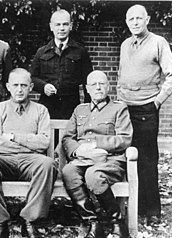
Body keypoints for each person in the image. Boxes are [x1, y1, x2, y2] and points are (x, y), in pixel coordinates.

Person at [0, 68, 58, 238]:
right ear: (8, 86)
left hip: (31, 162)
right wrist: (29, 143)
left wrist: (13, 137)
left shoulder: (40, 110)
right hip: (4, 161)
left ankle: (29, 220)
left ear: (31, 87)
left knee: (48, 163)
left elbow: (44, 142)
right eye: (15, 85)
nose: (19, 90)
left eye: (24, 85)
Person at [117, 4, 172, 226]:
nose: (135, 22)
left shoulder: (158, 43)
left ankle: (152, 210)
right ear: (127, 22)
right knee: (126, 157)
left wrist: (157, 101)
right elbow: (121, 75)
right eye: (130, 19)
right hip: (125, 109)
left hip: (146, 110)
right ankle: (133, 207)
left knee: (146, 159)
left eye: (138, 18)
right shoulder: (125, 44)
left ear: (147, 20)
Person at [61, 71, 133, 238]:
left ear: (108, 87)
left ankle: (117, 224)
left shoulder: (118, 108)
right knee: (68, 171)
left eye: (102, 84)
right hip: (83, 159)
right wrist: (78, 150)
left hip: (110, 160)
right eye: (93, 85)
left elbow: (125, 139)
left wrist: (96, 143)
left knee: (93, 175)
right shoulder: (80, 110)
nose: (98, 88)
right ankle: (92, 223)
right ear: (87, 89)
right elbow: (67, 138)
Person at [31, 9, 93, 119]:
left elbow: (88, 82)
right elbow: (32, 78)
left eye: (65, 24)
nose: (61, 28)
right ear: (51, 27)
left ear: (71, 26)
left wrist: (88, 108)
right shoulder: (41, 52)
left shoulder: (80, 51)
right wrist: (43, 86)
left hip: (72, 108)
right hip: (47, 107)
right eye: (57, 24)